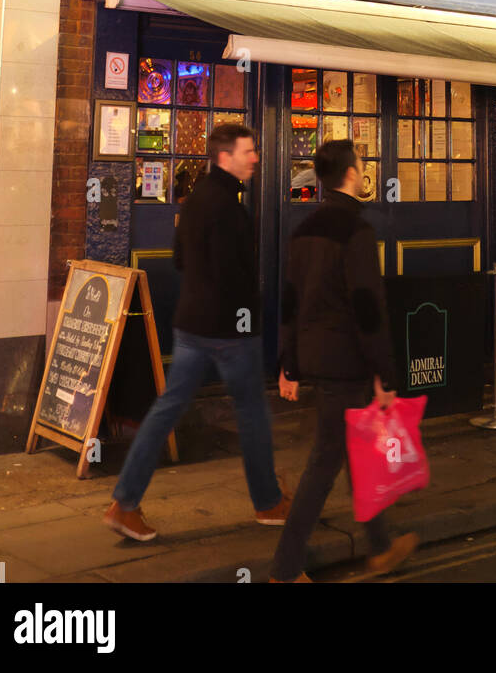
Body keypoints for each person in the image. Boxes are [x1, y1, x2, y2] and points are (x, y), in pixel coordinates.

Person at [104, 123, 290, 540]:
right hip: (229, 330)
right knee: (253, 414)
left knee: (166, 410)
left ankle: (125, 502)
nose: (255, 157)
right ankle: (268, 502)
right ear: (225, 157)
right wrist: (248, 319)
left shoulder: (195, 200)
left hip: (192, 324)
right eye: (248, 151)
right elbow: (236, 276)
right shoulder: (228, 205)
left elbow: (180, 259)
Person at [269, 139, 418, 584]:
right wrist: (385, 373)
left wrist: (289, 364)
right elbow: (368, 307)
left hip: (316, 356)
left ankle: (380, 547)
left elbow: (291, 302)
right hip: (345, 362)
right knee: (325, 461)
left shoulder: (304, 230)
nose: (365, 169)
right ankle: (285, 570)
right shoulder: (356, 231)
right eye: (363, 164)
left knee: (357, 452)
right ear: (351, 175)